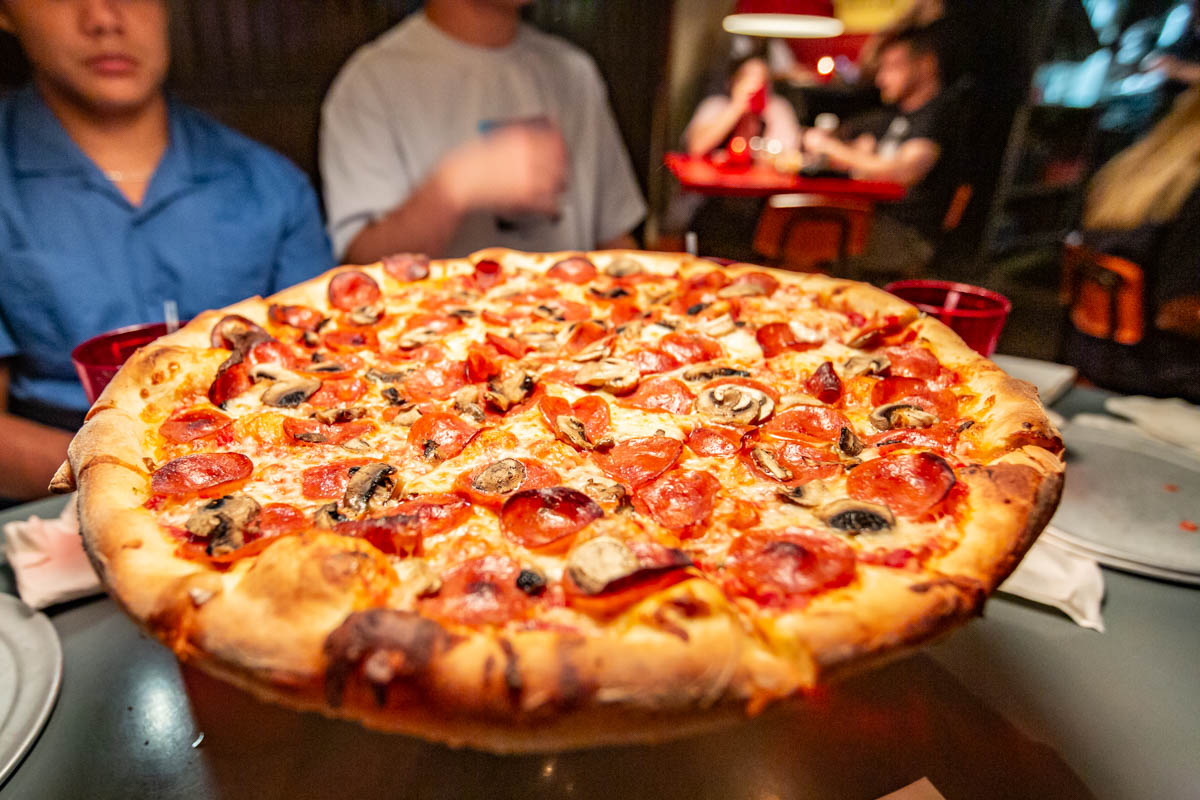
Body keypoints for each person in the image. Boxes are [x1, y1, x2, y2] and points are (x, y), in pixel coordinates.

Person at [0, 0, 333, 501]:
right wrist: (132, 475)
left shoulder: (271, 184)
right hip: (47, 504)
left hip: (267, 481)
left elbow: (327, 376)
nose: (104, 19)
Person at [319, 0, 646, 263]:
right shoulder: (369, 82)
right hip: (437, 335)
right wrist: (454, 186)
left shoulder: (575, 72)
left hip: (583, 330)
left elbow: (615, 239)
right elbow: (362, 263)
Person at [801, 26, 955, 279]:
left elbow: (904, 172)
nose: (881, 78)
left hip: (906, 235)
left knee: (804, 230)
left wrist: (833, 148)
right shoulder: (893, 115)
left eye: (893, 67)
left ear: (926, 65)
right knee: (799, 222)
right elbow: (862, 155)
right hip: (868, 219)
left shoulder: (938, 116)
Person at [684, 54, 801, 158]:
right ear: (732, 82)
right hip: (715, 181)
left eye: (763, 79)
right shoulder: (715, 106)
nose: (755, 84)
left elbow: (788, 154)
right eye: (747, 77)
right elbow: (696, 148)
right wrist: (736, 108)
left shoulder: (777, 109)